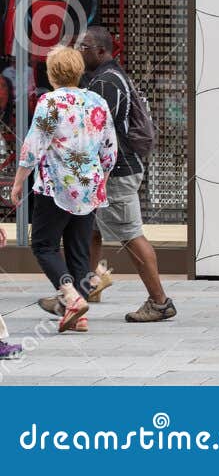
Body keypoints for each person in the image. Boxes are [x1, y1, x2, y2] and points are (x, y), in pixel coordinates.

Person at [52, 28, 175, 324]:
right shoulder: (107, 78)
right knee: (91, 229)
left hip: (116, 173)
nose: (79, 50)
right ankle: (81, 292)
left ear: (102, 52)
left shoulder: (106, 83)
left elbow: (95, 133)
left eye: (85, 46)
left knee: (131, 234)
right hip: (113, 170)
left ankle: (159, 302)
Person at [11, 45, 117, 333]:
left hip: (58, 185)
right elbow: (109, 147)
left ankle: (70, 296)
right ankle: (79, 316)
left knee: (44, 245)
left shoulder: (50, 101)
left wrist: (19, 180)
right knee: (79, 251)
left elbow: (35, 145)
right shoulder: (97, 100)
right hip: (90, 185)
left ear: (52, 72)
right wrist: (103, 176)